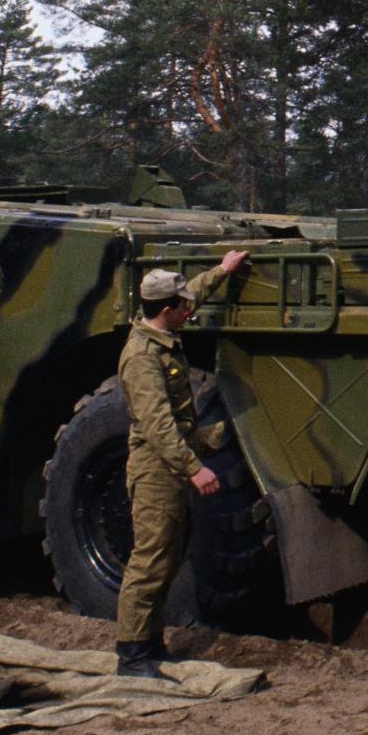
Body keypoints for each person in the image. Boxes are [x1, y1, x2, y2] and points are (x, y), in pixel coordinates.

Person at [115, 247, 249, 677]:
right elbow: (157, 425)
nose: (189, 309)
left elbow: (192, 291)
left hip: (168, 465)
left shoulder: (161, 329)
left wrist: (223, 271)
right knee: (150, 559)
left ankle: (150, 642)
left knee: (167, 557)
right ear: (167, 310)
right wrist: (195, 467)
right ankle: (132, 654)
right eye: (183, 307)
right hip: (157, 467)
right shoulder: (141, 357)